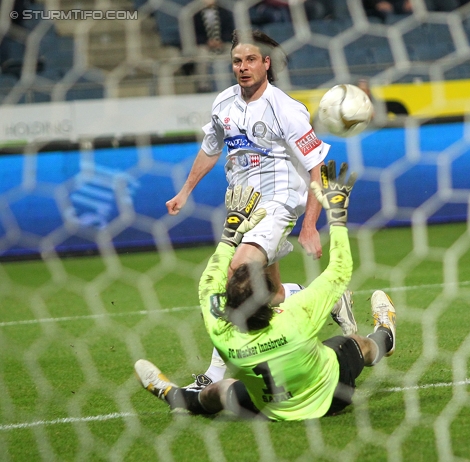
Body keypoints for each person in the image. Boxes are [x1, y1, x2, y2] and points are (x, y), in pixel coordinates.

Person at [165, 30, 355, 388]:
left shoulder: (286, 109)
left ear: (267, 63)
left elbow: (316, 165)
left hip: (279, 202)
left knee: (236, 274)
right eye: (237, 61)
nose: (243, 67)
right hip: (243, 206)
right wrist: (185, 191)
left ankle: (213, 376)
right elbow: (210, 148)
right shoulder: (223, 103)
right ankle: (331, 299)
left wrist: (310, 225)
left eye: (251, 60)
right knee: (268, 291)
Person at [136, 161, 397, 420]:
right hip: (331, 398)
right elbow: (339, 270)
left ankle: (176, 397)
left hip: (271, 409)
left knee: (221, 389)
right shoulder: (296, 317)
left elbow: (208, 281)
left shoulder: (222, 333)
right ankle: (385, 336)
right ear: (268, 299)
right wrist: (337, 215)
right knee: (352, 344)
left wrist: (230, 233)